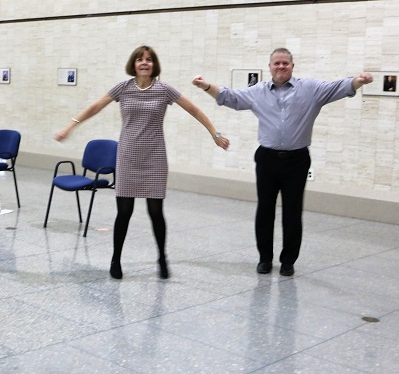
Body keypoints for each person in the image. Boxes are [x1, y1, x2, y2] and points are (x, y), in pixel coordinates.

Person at [192, 47, 373, 276]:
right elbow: (231, 97)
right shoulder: (258, 92)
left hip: (297, 161)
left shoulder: (310, 89)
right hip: (267, 159)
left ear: (292, 66)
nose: (281, 67)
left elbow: (339, 87)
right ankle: (264, 259)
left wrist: (358, 81)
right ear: (270, 67)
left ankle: (288, 261)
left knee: (292, 211)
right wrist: (206, 86)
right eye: (276, 63)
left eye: (285, 63)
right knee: (265, 210)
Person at [55, 45, 229, 280]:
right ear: (133, 64)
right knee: (124, 212)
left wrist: (215, 134)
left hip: (155, 157)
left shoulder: (164, 89)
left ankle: (162, 258)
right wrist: (70, 126)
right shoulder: (123, 88)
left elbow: (194, 110)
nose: (144, 63)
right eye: (139, 59)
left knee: (156, 212)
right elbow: (96, 106)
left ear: (154, 64)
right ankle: (116, 259)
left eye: (148, 59)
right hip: (127, 156)